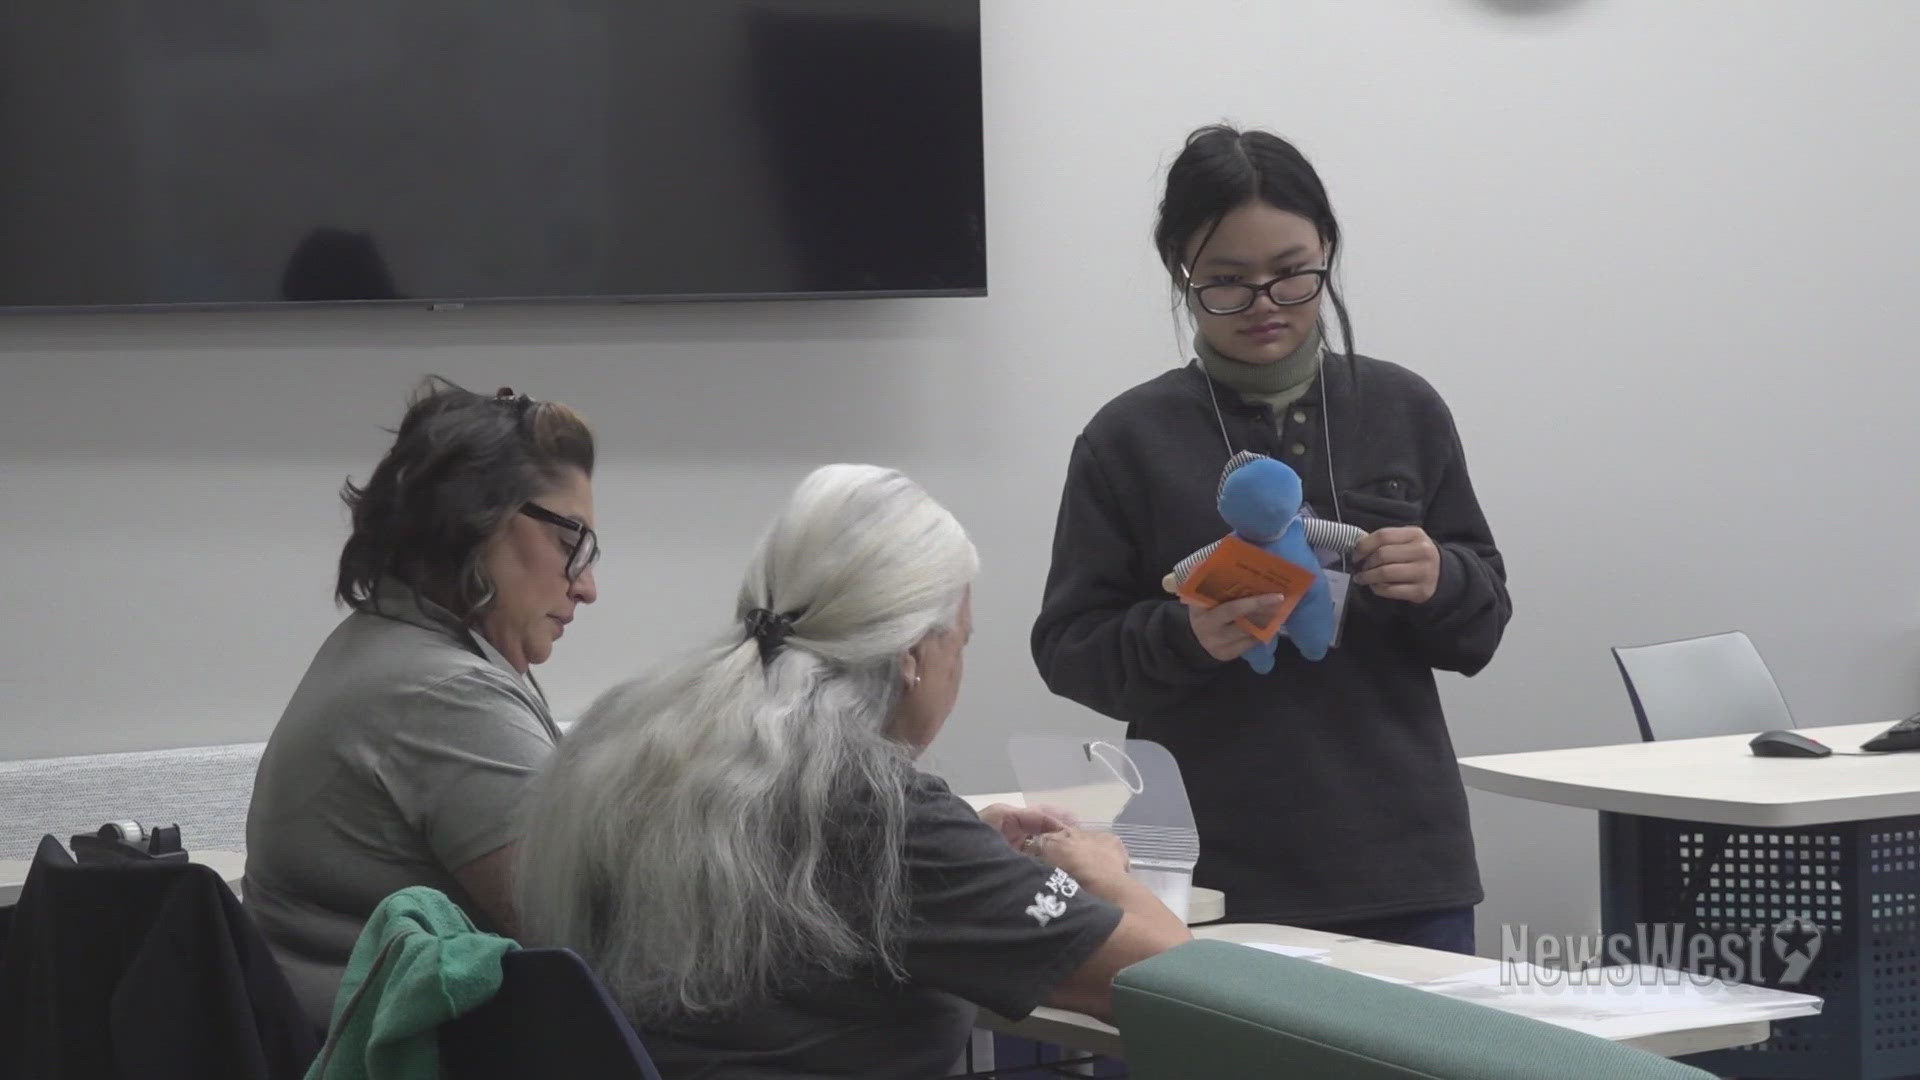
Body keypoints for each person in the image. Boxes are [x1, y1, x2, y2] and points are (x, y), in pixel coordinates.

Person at [517, 464, 1189, 1078]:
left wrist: (973, 852)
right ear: (912, 655)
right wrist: (1104, 872)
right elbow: (1184, 985)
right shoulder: (879, 811)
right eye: (961, 643)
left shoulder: (630, 739)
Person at [1032, 125, 1511, 954]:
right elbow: (1070, 648)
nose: (1264, 305)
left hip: (1402, 863)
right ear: (1179, 274)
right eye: (1227, 282)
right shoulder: (1129, 438)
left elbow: (1482, 625)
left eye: (1292, 275)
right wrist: (1183, 636)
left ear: (1328, 250)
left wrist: (1442, 578)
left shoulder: (1403, 408)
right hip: (1210, 875)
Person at [244, 377, 600, 1025]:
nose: (588, 585)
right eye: (569, 540)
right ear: (474, 521)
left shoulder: (384, 645)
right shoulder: (442, 693)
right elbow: (596, 940)